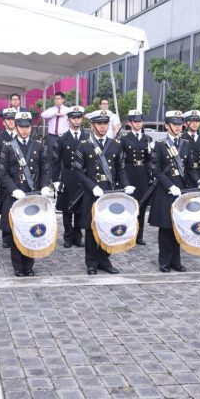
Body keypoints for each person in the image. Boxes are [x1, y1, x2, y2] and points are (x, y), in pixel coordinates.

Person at [148, 111, 200, 273]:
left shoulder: (185, 144)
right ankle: (164, 261)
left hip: (181, 190)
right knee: (166, 227)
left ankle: (176, 261)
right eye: (174, 124)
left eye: (179, 124)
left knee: (179, 225)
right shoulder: (159, 145)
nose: (177, 127)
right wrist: (169, 186)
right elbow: (156, 170)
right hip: (166, 191)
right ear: (167, 126)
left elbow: (190, 169)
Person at [73, 110, 132, 275]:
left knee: (110, 226)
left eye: (105, 123)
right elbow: (78, 172)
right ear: (92, 125)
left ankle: (104, 260)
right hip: (93, 192)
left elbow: (120, 170)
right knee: (92, 229)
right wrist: (93, 187)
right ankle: (91, 262)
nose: (103, 127)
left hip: (110, 192)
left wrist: (126, 185)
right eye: (99, 123)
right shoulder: (84, 145)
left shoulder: (115, 144)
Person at [0, 111, 54, 277]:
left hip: (33, 195)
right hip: (15, 195)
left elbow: (45, 169)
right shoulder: (8, 147)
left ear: (30, 127)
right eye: (21, 126)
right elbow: (2, 172)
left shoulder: (38, 146)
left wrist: (44, 186)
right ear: (15, 126)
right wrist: (13, 189)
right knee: (17, 231)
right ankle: (17, 266)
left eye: (27, 126)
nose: (24, 130)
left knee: (32, 229)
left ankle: (29, 265)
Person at [54, 106, 89, 248]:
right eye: (73, 118)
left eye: (78, 117)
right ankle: (68, 237)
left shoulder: (87, 137)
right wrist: (56, 180)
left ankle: (77, 236)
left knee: (81, 208)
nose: (76, 120)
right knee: (67, 209)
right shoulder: (62, 138)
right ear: (68, 120)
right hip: (68, 175)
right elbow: (55, 161)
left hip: (83, 176)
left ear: (81, 119)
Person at [120, 109, 154, 246]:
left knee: (142, 205)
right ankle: (127, 234)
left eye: (140, 121)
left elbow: (150, 160)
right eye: (135, 121)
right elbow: (120, 159)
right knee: (130, 207)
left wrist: (152, 152)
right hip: (130, 172)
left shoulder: (147, 139)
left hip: (143, 174)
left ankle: (139, 236)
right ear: (130, 123)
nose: (138, 124)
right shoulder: (124, 139)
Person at [0, 108, 19, 246]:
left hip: (19, 178)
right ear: (4, 122)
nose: (11, 122)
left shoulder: (21, 136)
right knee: (6, 208)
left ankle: (19, 235)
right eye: (9, 120)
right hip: (4, 178)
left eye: (13, 119)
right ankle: (6, 237)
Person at [40, 91, 69, 181]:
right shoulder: (51, 109)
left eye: (58, 98)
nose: (56, 100)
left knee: (64, 158)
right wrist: (55, 114)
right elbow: (43, 115)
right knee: (52, 157)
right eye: (55, 99)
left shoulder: (68, 110)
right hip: (52, 136)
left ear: (63, 99)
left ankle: (63, 178)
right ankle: (52, 179)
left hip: (63, 137)